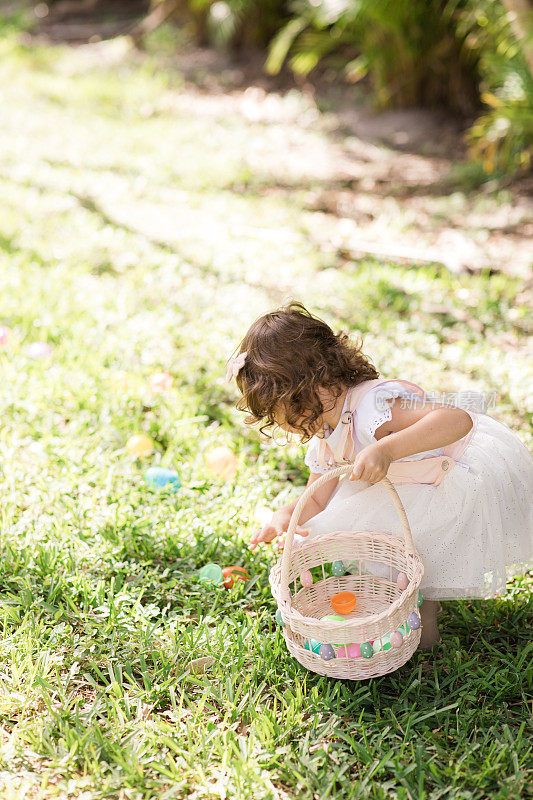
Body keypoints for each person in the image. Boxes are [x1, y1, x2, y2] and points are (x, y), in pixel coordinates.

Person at [226, 301, 533, 648]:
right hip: (404, 489)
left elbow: (457, 419)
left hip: (445, 481)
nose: (284, 423)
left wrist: (387, 449)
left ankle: (424, 628)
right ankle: (407, 619)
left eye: (283, 410)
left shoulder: (374, 406)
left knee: (418, 549)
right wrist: (284, 517)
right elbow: (318, 497)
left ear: (310, 384)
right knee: (386, 547)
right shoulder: (325, 436)